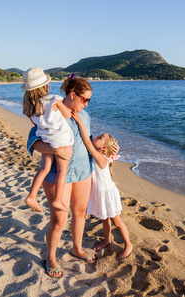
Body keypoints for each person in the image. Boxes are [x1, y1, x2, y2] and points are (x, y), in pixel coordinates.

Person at [27, 73, 119, 278]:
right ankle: (50, 257)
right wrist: (56, 151)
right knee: (59, 220)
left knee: (80, 213)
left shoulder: (85, 116)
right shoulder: (50, 109)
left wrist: (109, 148)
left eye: (89, 100)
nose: (87, 104)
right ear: (71, 94)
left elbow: (90, 140)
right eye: (84, 99)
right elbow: (33, 140)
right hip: (56, 175)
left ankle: (76, 248)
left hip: (83, 171)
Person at [72, 112, 133, 259]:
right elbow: (90, 142)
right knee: (104, 219)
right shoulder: (103, 155)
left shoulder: (101, 158)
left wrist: (80, 121)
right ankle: (107, 240)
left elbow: (87, 142)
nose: (96, 137)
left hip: (107, 193)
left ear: (103, 148)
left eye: (99, 138)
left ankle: (128, 244)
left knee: (116, 220)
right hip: (101, 192)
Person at [22, 68, 73, 213]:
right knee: (62, 170)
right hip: (61, 139)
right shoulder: (54, 99)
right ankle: (57, 199)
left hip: (46, 139)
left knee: (44, 169)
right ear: (45, 86)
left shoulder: (30, 107)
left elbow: (36, 124)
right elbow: (67, 115)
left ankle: (32, 195)